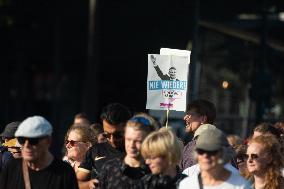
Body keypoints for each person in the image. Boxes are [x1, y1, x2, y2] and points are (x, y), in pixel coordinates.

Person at [0, 116, 79, 189]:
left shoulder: (65, 172)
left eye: (33, 140)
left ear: (48, 141)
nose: (26, 145)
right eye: (22, 140)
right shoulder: (11, 167)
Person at [77, 103, 132, 189]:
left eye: (118, 135)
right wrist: (88, 185)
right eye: (106, 135)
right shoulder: (95, 150)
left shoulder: (138, 152)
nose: (112, 140)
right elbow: (76, 182)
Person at [179, 129, 250, 189]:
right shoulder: (186, 185)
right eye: (201, 151)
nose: (205, 156)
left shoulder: (241, 185)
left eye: (211, 151)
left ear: (223, 154)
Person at [97, 116, 155, 189]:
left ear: (148, 141)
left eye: (138, 141)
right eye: (128, 139)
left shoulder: (155, 171)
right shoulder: (110, 167)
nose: (131, 145)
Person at [181, 99, 217, 170]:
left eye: (189, 115)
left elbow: (187, 175)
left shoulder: (194, 146)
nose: (185, 118)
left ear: (203, 119)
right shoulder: (225, 143)